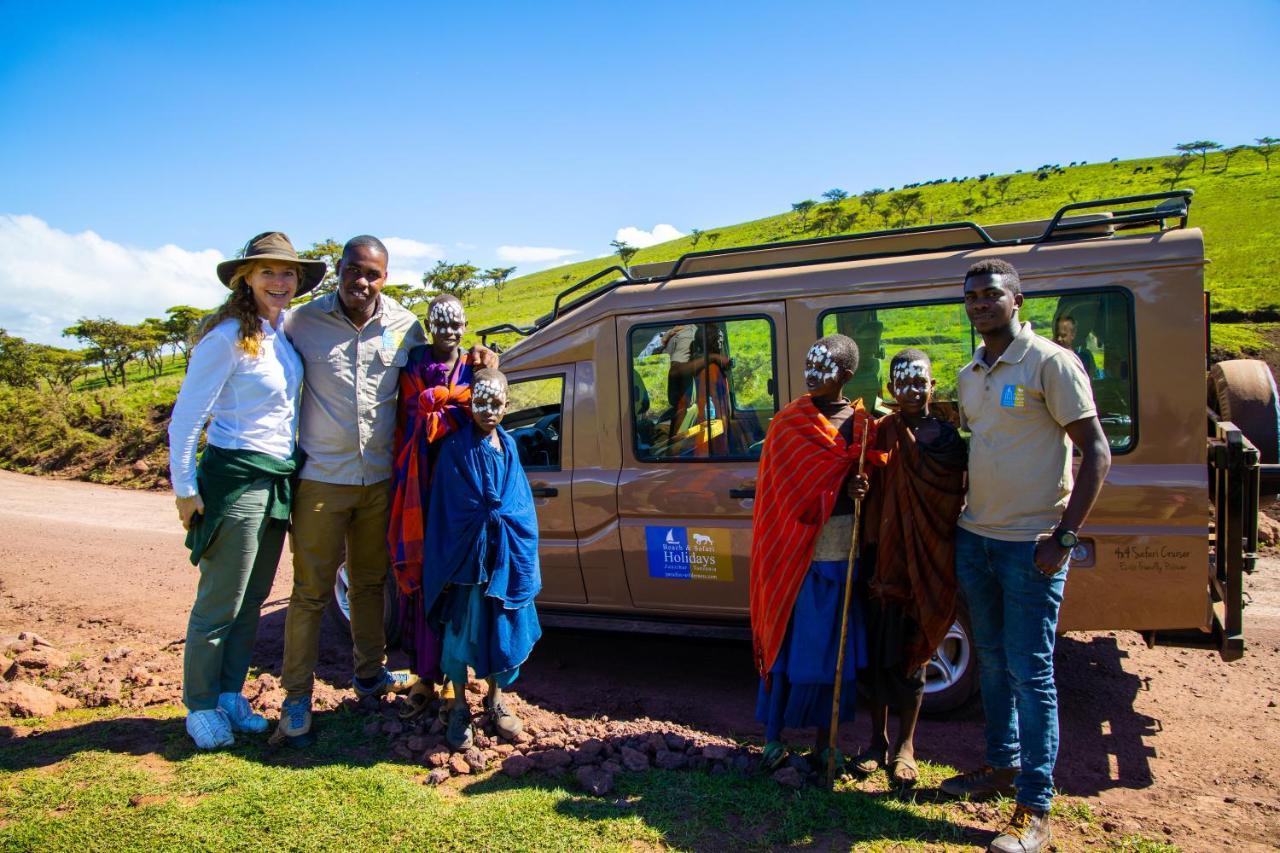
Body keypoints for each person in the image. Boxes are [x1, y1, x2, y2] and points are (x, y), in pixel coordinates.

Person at [940, 259, 1111, 853]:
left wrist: (1063, 537)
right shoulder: (969, 374)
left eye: (991, 295)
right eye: (972, 297)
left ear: (1016, 300)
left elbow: (1096, 451)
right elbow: (982, 446)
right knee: (989, 655)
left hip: (1031, 544)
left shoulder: (1051, 362)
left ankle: (1034, 810)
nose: (980, 304)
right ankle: (1001, 766)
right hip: (976, 536)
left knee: (1031, 671)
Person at [168, 231, 324, 749]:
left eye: (287, 273)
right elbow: (188, 418)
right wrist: (185, 487)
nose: (279, 282)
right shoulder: (228, 336)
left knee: (253, 597)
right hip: (236, 478)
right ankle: (199, 703)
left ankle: (231, 693)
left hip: (277, 476)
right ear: (246, 278)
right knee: (221, 599)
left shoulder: (280, 335)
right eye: (268, 272)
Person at [274, 235, 427, 746]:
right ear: (339, 269)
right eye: (354, 271)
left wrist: (481, 359)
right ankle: (296, 698)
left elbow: (430, 377)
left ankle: (370, 676)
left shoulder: (406, 326)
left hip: (380, 482)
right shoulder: (301, 322)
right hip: (320, 480)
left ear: (386, 277)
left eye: (374, 274)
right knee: (311, 592)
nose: (362, 282)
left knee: (368, 583)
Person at [749, 334, 884, 772]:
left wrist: (861, 485)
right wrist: (833, 487)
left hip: (842, 551)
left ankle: (828, 743)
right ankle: (774, 739)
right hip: (795, 557)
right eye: (809, 365)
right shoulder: (789, 422)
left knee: (835, 653)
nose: (812, 374)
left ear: (846, 375)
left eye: (822, 367)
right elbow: (780, 492)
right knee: (789, 647)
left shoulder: (862, 425)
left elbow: (873, 473)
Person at [853, 348, 967, 786]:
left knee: (914, 652)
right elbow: (867, 483)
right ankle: (875, 741)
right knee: (878, 656)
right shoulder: (879, 433)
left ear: (933, 387)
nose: (912, 390)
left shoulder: (947, 440)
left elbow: (950, 499)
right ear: (889, 389)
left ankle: (906, 745)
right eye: (903, 383)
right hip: (884, 560)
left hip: (929, 558)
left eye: (920, 382)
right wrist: (858, 483)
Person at [419, 368, 542, 750]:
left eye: (496, 402)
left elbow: (520, 505)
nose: (488, 410)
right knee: (461, 635)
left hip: (501, 563)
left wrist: (505, 527)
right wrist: (478, 528)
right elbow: (448, 511)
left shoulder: (510, 448)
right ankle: (458, 706)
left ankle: (495, 699)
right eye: (480, 401)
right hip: (468, 566)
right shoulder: (455, 451)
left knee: (498, 630)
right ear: (470, 404)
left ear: (507, 405)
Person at [387, 293, 498, 717]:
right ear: (429, 324)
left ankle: (455, 677)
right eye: (440, 322)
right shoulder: (414, 363)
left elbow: (484, 407)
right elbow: (415, 416)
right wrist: (450, 406)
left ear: (465, 324)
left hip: (459, 487)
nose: (448, 331)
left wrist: (460, 396)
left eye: (456, 323)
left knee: (457, 581)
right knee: (423, 578)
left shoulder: (475, 366)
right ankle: (423, 675)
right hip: (419, 481)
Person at [1052, 315, 1098, 379]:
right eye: (1056, 335)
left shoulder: (1084, 358)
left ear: (1073, 335)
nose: (1059, 339)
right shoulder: (1049, 358)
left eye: (1063, 335)